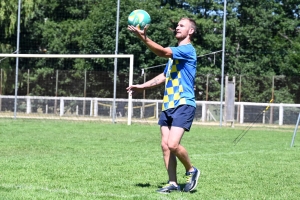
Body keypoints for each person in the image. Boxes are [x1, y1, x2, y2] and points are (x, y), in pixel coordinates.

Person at [127, 17, 200, 193]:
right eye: (177, 25)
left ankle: (192, 170)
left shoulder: (187, 50)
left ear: (190, 31)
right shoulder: (175, 55)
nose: (177, 27)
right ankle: (173, 183)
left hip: (183, 102)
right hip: (168, 103)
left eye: (181, 25)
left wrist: (143, 38)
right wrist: (142, 86)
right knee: (165, 146)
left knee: (173, 144)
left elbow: (161, 52)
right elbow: (164, 76)